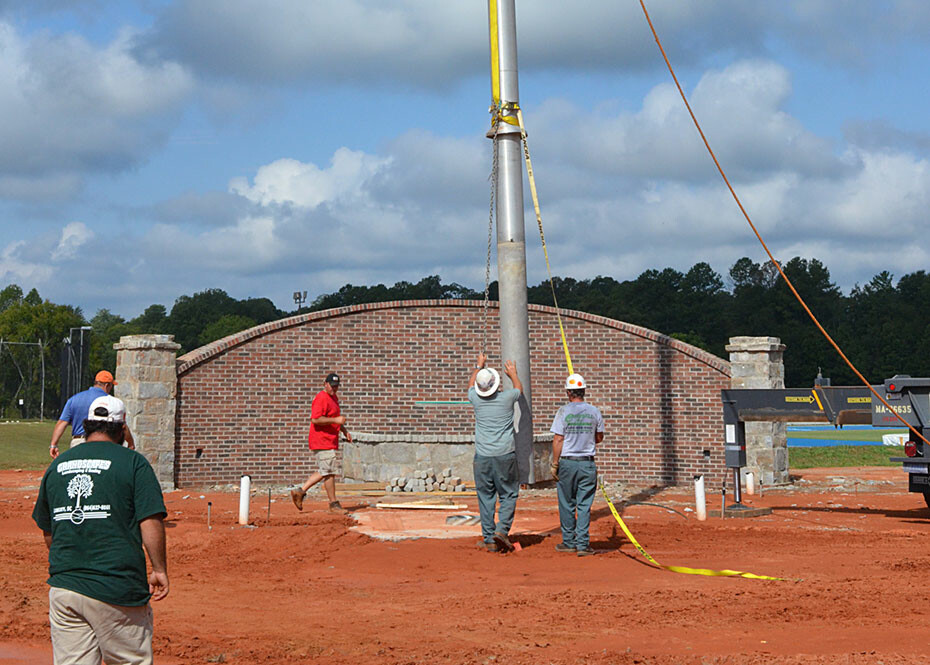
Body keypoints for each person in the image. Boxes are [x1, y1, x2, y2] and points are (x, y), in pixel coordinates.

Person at [32, 394, 168, 665]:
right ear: (122, 428)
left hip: (65, 589)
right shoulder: (133, 463)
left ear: (86, 426)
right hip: (116, 587)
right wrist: (159, 569)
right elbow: (150, 520)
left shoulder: (58, 465)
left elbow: (49, 530)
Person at [467, 352, 522, 553]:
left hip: (482, 457)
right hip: (505, 455)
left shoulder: (475, 399)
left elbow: (470, 385)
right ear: (496, 384)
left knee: (485, 497)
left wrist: (479, 366)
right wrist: (513, 373)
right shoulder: (507, 398)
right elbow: (519, 389)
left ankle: (489, 538)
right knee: (508, 494)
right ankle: (502, 531)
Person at [550, 373, 605, 556]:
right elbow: (599, 437)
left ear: (568, 392)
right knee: (584, 505)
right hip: (587, 464)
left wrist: (555, 463)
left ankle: (569, 542)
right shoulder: (594, 411)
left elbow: (558, 440)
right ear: (584, 391)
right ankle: (582, 544)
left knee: (567, 503)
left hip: (567, 463)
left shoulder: (563, 412)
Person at [291, 372, 352, 513]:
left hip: (329, 440)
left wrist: (344, 430)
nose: (334, 389)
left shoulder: (333, 398)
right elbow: (315, 419)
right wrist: (336, 421)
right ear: (325, 384)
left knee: (325, 470)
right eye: (332, 386)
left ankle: (300, 492)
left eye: (336, 386)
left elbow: (334, 417)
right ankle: (333, 504)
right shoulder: (321, 398)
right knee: (329, 472)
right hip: (321, 440)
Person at [50, 370, 134, 459]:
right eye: (111, 386)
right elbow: (122, 425)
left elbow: (62, 423)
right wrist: (131, 443)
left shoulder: (74, 399)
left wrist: (53, 445)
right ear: (107, 385)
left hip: (78, 443)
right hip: (102, 443)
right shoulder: (110, 402)